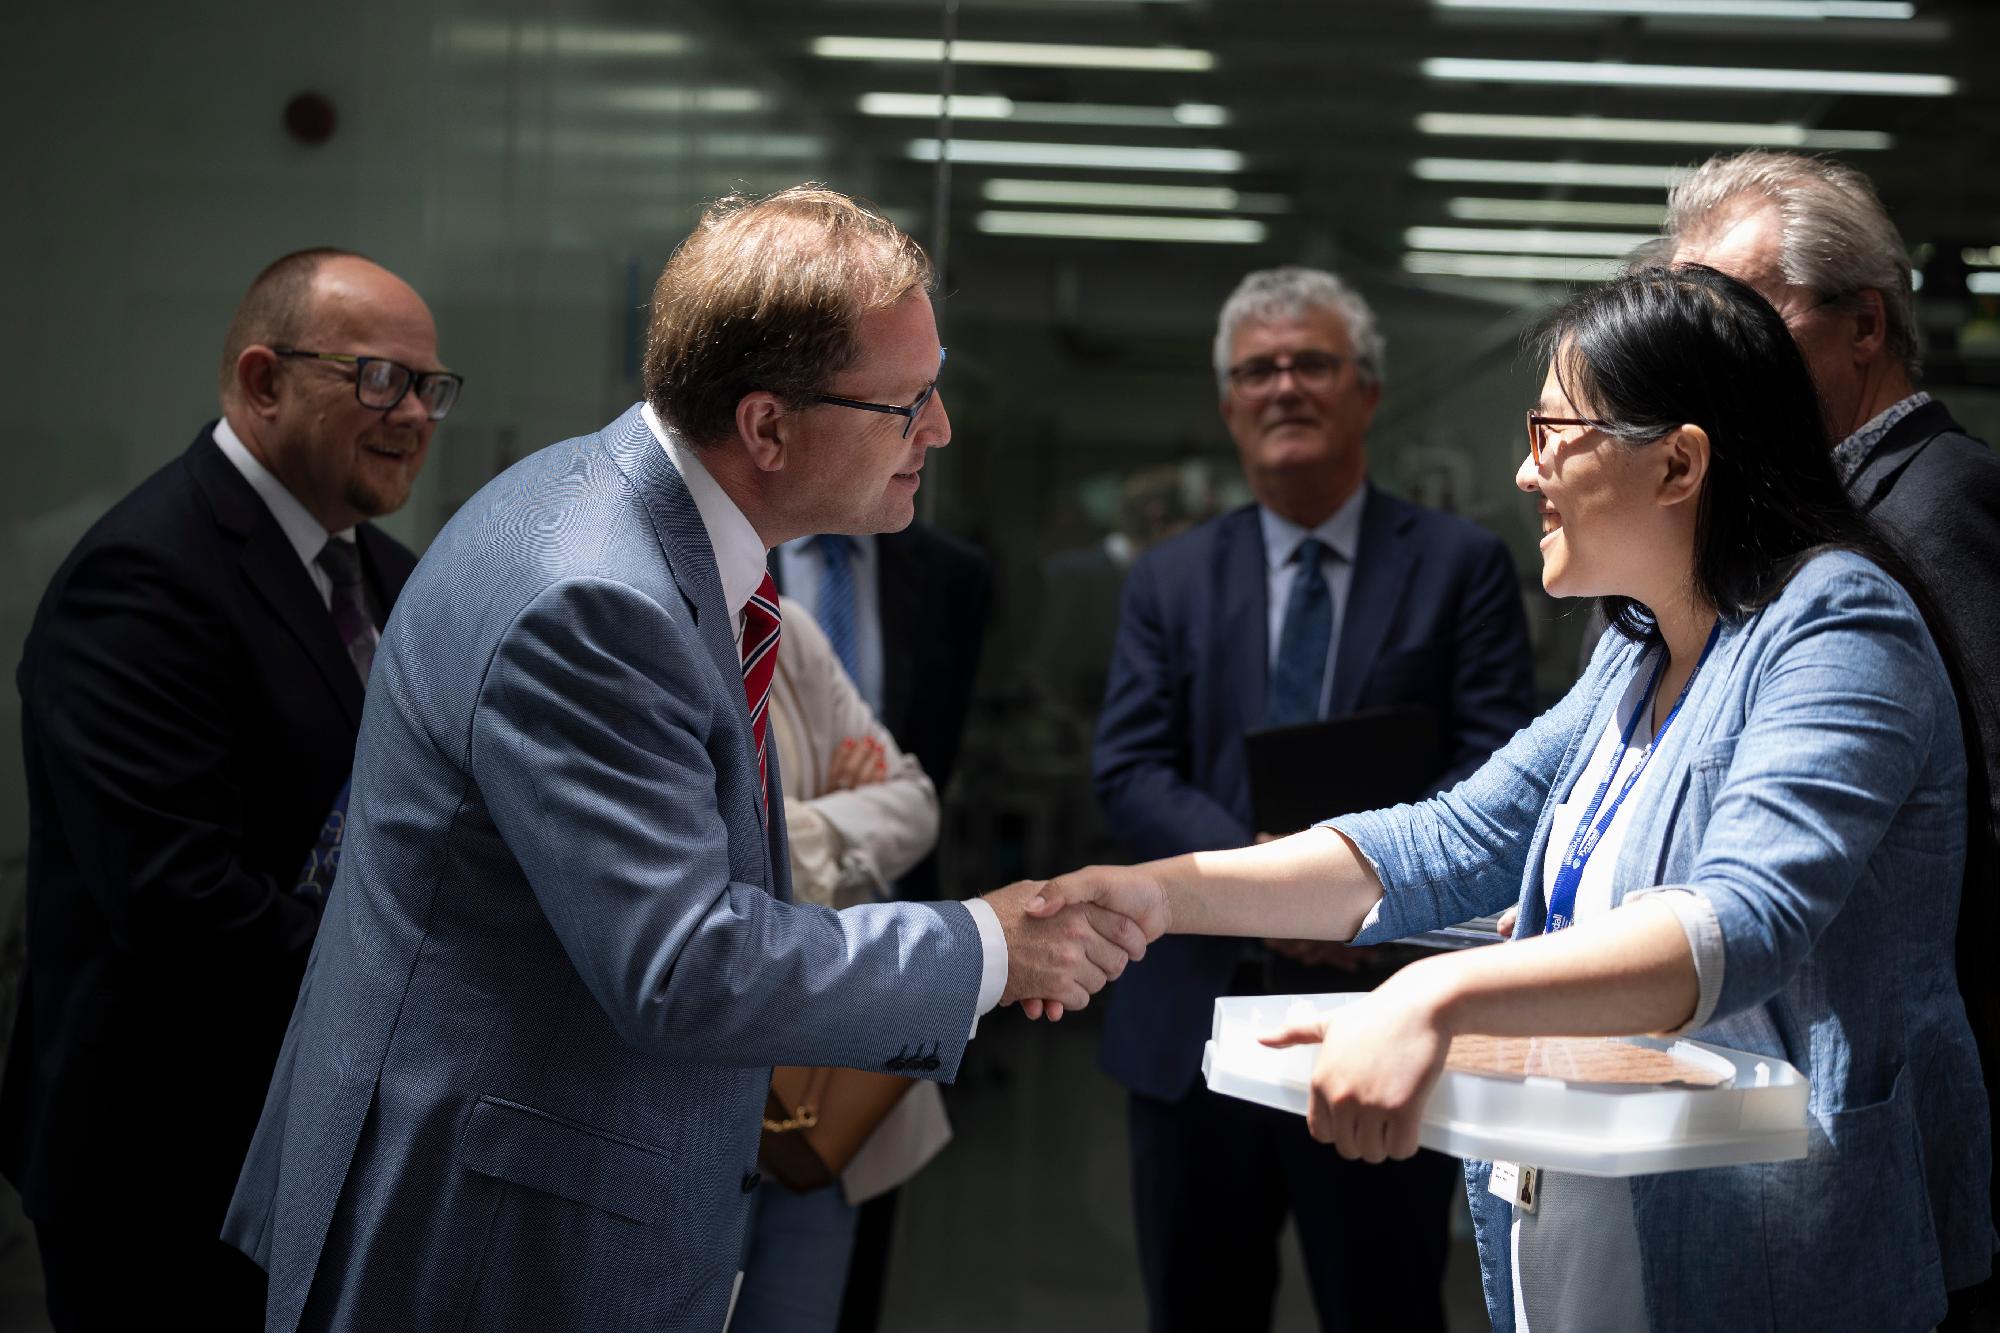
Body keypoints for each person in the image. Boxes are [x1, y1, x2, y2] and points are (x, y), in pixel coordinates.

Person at [221, 185, 1143, 1333]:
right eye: (906, 401)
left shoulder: (619, 513)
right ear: (765, 428)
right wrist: (989, 946)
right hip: (490, 1237)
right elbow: (683, 966)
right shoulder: (599, 599)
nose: (940, 429)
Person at [1032, 265, 1994, 1331]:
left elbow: (1737, 919)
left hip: (1767, 1259)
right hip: (1588, 1243)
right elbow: (1448, 839)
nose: (1525, 472)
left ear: (1677, 462)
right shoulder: (1637, 649)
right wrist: (1162, 891)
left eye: (1550, 433)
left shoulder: (1838, 624)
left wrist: (1430, 997)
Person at [0, 248, 449, 1330]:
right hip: (164, 1164)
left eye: (430, 387)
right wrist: (423, 994)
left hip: (318, 1138)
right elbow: (178, 897)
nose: (414, 415)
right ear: (263, 380)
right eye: (380, 378)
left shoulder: (392, 576)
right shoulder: (141, 575)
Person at [1091, 265, 1535, 1333]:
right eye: (1257, 371)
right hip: (1195, 1028)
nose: (1283, 386)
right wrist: (1272, 891)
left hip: (1378, 1011)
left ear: (1367, 391)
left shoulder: (1460, 566)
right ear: (1227, 405)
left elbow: (1494, 773)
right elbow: (1131, 771)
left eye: (1311, 364)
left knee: (1384, 1307)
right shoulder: (1167, 579)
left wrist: (1358, 896)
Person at [1659, 154, 2000, 1324]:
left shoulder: (1934, 507)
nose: (1706, 358)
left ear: (1864, 325)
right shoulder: (1801, 521)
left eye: (1740, 318)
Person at [733, 598, 949, 1333]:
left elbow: (915, 802)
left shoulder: (783, 627)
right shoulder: (630, 616)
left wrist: (804, 827)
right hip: (685, 1094)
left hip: (818, 1088)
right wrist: (842, 815)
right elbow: (696, 869)